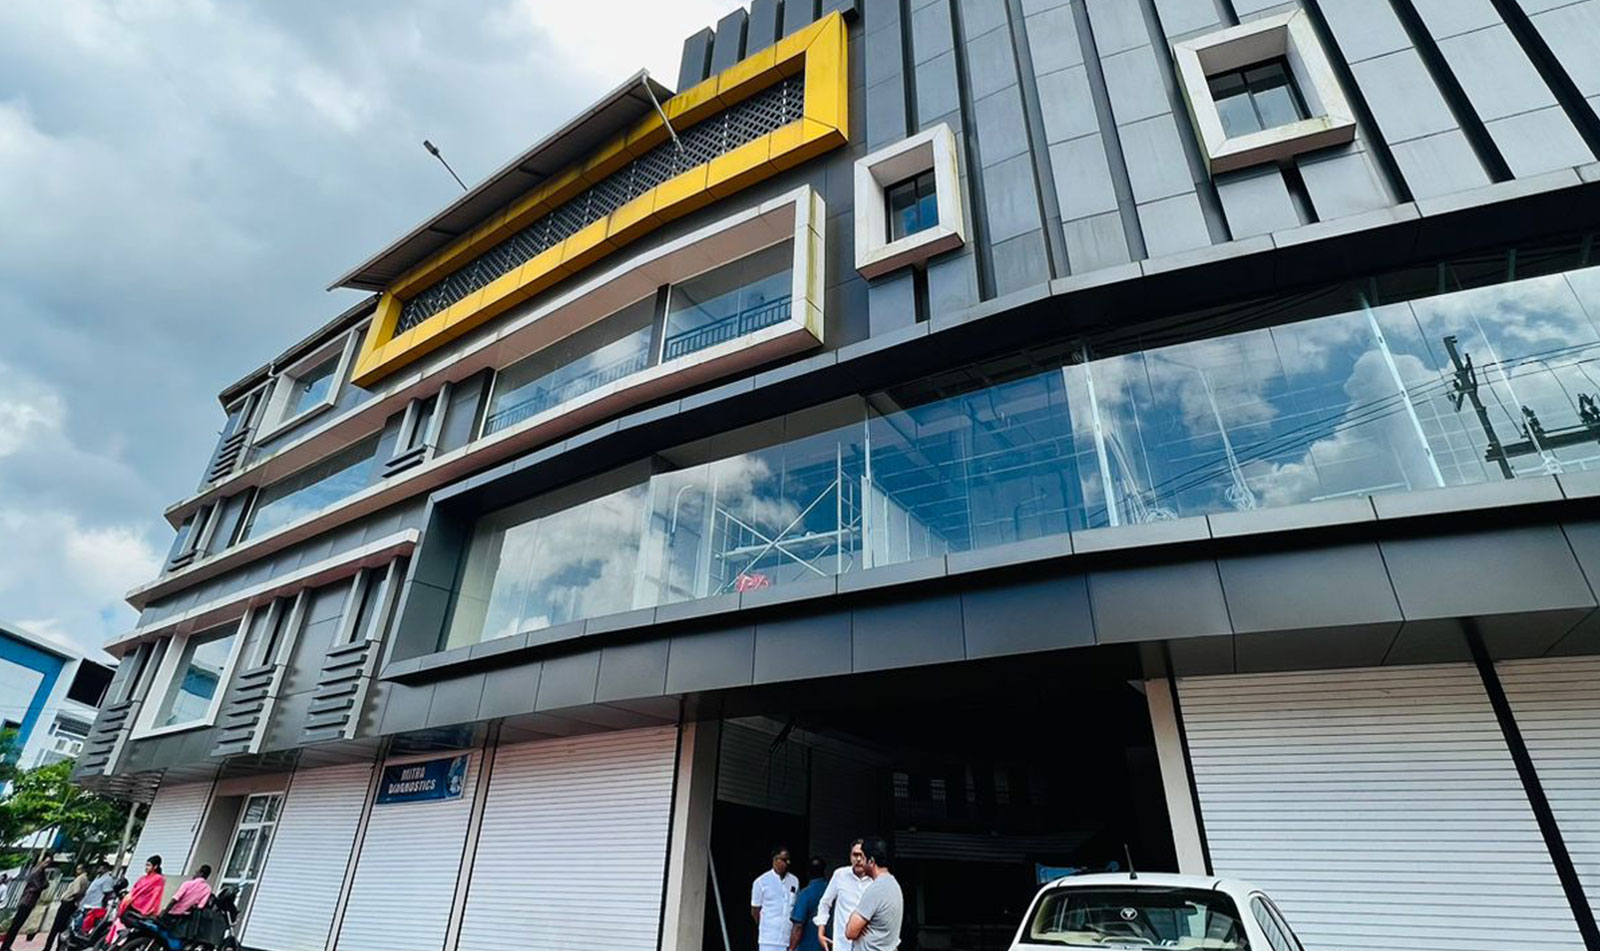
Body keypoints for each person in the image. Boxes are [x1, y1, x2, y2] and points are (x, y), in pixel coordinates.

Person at [845, 838, 902, 951]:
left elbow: (850, 932)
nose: (860, 861)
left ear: (871, 861)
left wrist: (856, 918)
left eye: (863, 858)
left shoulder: (876, 889)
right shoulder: (893, 885)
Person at [814, 840, 871, 951]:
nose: (858, 859)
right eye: (855, 855)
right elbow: (825, 903)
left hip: (867, 945)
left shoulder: (875, 880)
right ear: (850, 856)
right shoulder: (840, 875)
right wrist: (821, 933)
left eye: (862, 855)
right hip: (843, 945)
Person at [750, 845, 799, 951]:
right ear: (775, 860)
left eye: (788, 860)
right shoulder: (761, 882)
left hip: (787, 938)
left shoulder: (794, 881)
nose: (787, 863)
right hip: (768, 939)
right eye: (784, 860)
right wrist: (767, 924)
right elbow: (755, 911)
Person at [108, 855, 165, 944]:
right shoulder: (143, 878)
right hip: (133, 903)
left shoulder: (159, 878)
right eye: (146, 865)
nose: (146, 867)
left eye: (149, 865)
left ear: (155, 866)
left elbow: (153, 895)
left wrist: (132, 897)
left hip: (143, 907)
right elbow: (135, 889)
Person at [1, 855, 53, 951]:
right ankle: (5, 946)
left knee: (17, 925)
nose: (47, 865)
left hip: (30, 901)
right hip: (27, 900)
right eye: (46, 862)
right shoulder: (37, 871)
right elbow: (40, 885)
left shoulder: (41, 872)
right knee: (16, 925)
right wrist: (45, 884)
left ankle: (7, 945)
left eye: (48, 863)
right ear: (41, 861)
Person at [41, 863, 87, 951]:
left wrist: (70, 897)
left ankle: (48, 947)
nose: (77, 871)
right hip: (71, 904)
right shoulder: (84, 879)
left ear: (83, 870)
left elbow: (76, 891)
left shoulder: (80, 878)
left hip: (68, 903)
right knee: (63, 927)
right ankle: (58, 947)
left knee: (56, 927)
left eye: (79, 869)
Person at [789, 858, 828, 951]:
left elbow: (798, 926)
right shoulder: (832, 891)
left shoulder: (806, 894)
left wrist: (791, 948)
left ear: (808, 872)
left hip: (808, 946)